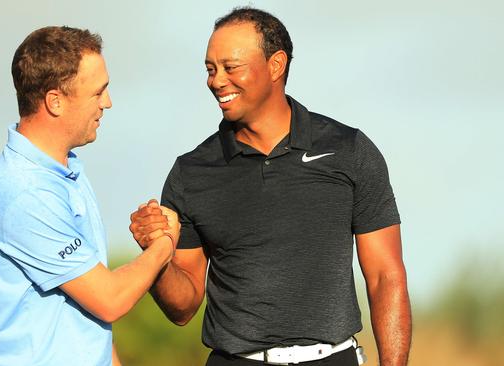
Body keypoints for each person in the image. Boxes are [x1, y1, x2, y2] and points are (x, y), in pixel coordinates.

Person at [130, 7, 411, 366]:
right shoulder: (191, 172)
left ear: (276, 65)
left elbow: (386, 277)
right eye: (210, 69)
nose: (216, 81)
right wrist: (156, 257)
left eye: (231, 67)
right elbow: (182, 308)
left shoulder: (349, 150)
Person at [0, 26, 178, 366]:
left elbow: (87, 312)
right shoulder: (21, 190)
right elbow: (109, 298)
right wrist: (165, 244)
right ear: (55, 101)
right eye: (98, 93)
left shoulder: (67, 171)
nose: (107, 103)